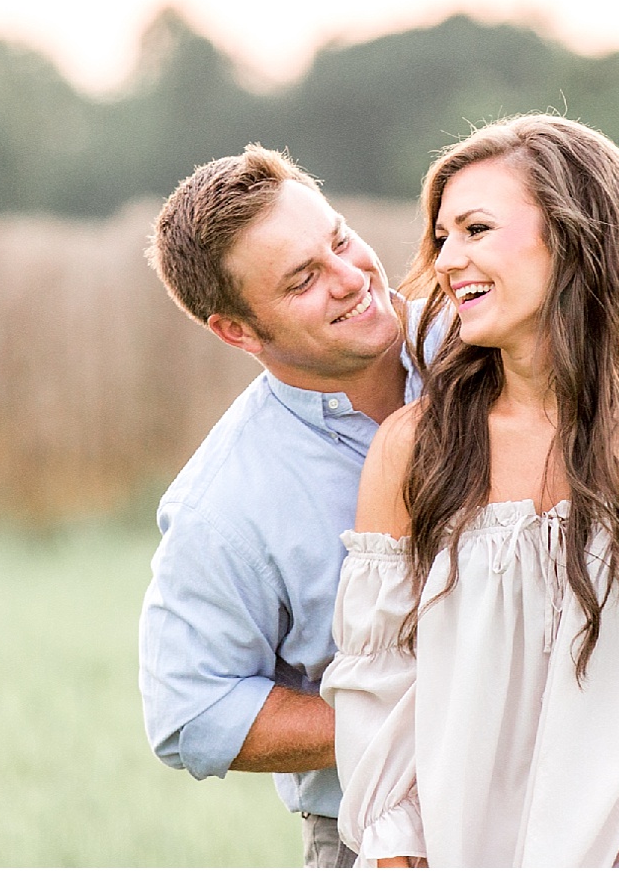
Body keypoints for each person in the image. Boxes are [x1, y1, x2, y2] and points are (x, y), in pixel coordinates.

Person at [321, 114, 619, 868]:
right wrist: (396, 858)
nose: (447, 259)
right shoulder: (412, 449)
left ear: (575, 235)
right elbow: (379, 691)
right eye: (441, 236)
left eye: (477, 229)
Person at [139, 144, 431, 869]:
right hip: (375, 835)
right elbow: (190, 711)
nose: (351, 278)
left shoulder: (488, 345)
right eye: (304, 279)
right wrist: (406, 719)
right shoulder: (223, 504)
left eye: (340, 240)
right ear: (237, 330)